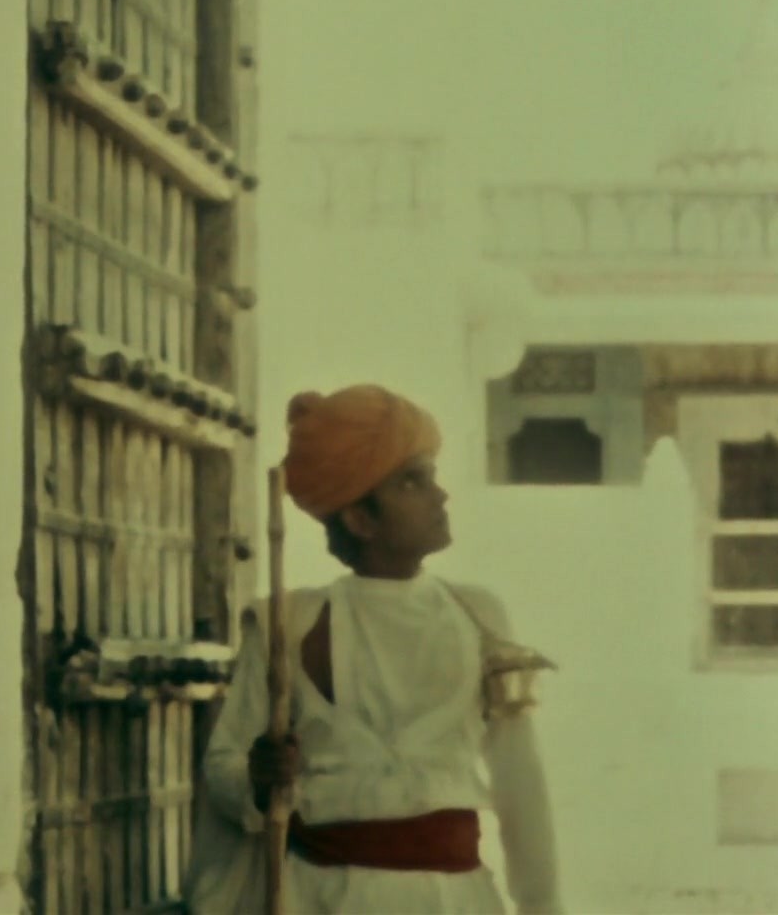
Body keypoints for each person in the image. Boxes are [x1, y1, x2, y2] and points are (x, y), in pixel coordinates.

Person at [185, 385, 562, 914]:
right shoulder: (288, 625)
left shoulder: (479, 617)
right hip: (321, 899)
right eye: (413, 482)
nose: (440, 496)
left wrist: (542, 908)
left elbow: (521, 786)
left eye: (431, 477)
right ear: (360, 520)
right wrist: (259, 778)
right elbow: (224, 767)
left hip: (454, 901)